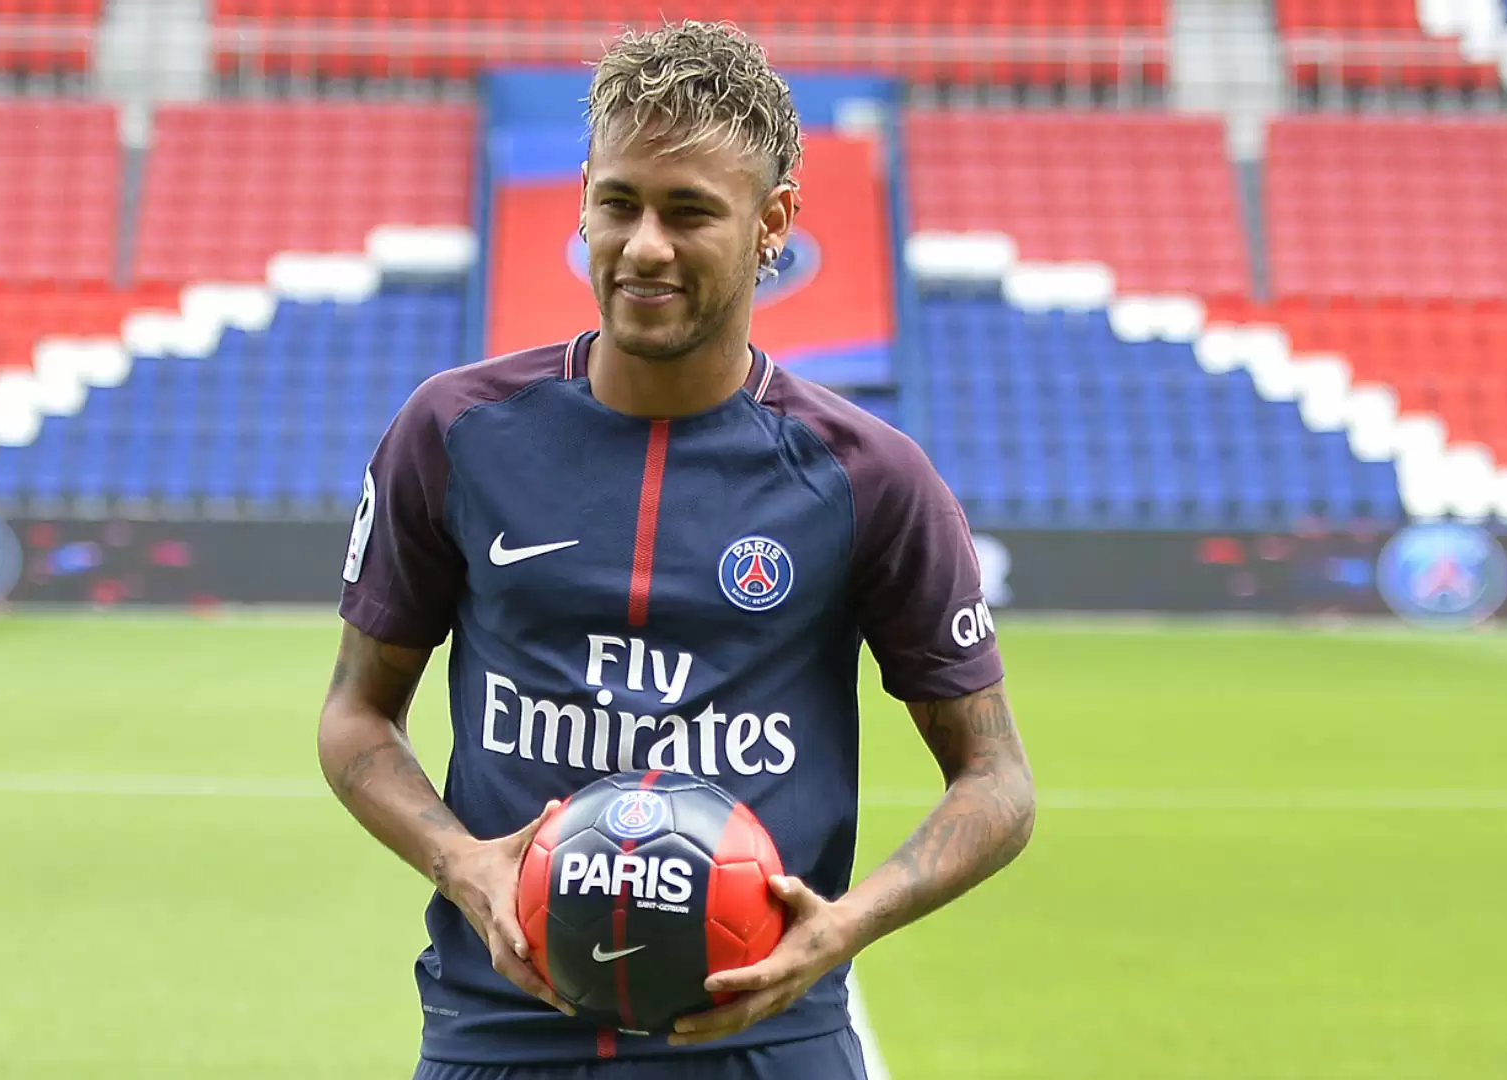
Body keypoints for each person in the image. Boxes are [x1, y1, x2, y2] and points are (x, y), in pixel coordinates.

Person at [317, 19, 1037, 1080]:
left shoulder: (870, 478)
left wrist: (844, 926)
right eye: (619, 203)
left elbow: (997, 782)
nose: (644, 245)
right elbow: (355, 712)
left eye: (689, 211)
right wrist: (460, 862)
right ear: (583, 203)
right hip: (499, 1039)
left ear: (772, 222)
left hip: (770, 1044)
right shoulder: (454, 433)